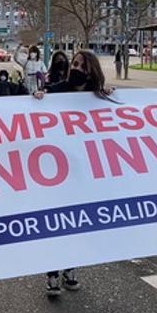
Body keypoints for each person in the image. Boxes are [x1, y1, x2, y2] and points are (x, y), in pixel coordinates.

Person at [33, 50, 115, 295]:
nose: (77, 68)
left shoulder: (99, 97)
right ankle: (52, 274)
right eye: (75, 64)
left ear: (92, 71)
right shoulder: (55, 91)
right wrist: (37, 98)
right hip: (56, 170)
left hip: (84, 172)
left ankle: (69, 268)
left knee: (76, 225)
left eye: (83, 66)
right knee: (56, 224)